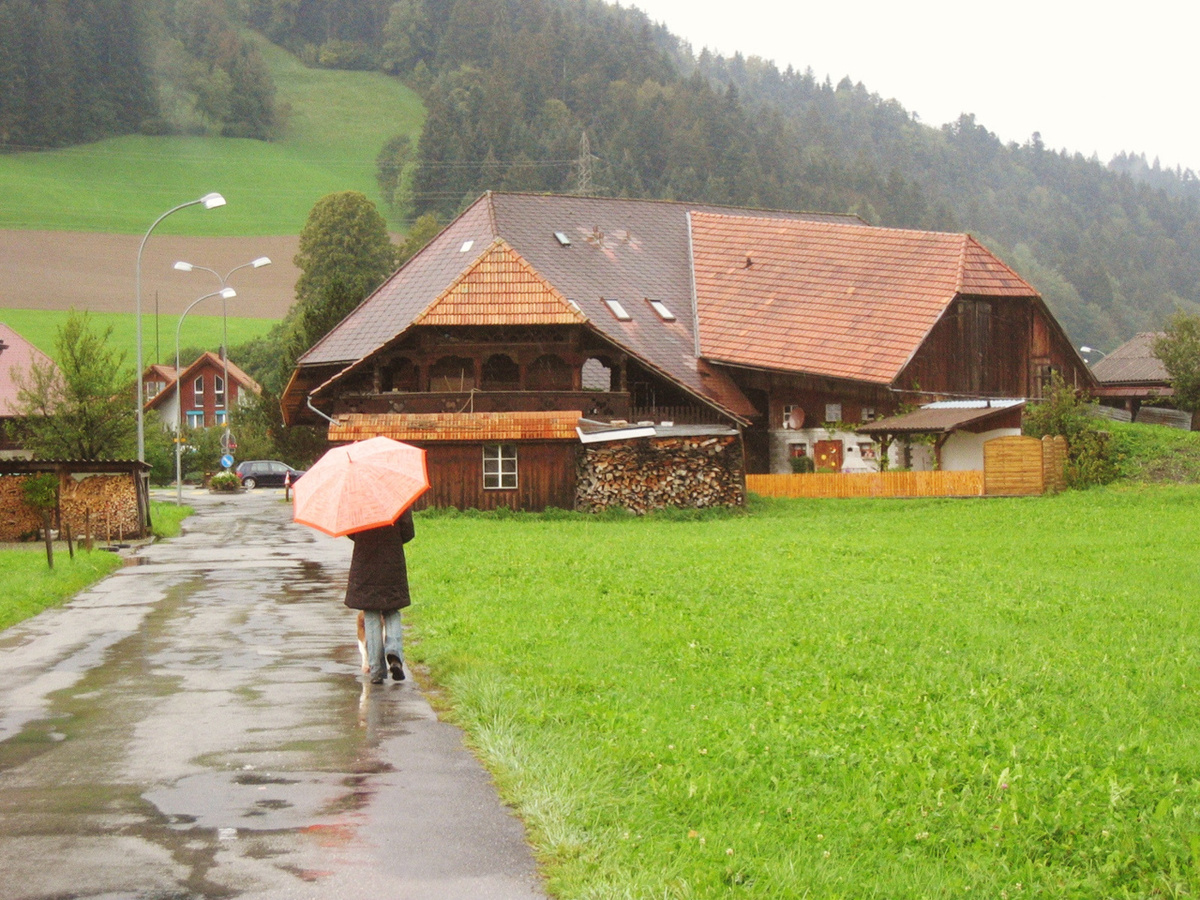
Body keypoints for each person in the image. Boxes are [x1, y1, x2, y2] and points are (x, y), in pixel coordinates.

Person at [345, 508, 415, 684]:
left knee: (371, 612)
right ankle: (394, 654)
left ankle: (376, 670)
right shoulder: (398, 500)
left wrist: (365, 538)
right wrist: (392, 539)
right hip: (392, 560)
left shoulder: (357, 500)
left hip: (365, 561)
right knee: (392, 609)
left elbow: (351, 532)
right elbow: (408, 531)